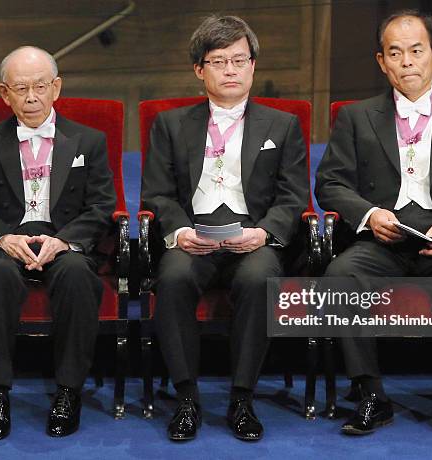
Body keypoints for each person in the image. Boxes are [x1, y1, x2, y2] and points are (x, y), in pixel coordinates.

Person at [315, 9, 432, 439]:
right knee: (339, 275)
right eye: (395, 52)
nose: (407, 61)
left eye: (416, 50)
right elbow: (329, 183)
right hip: (380, 242)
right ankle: (370, 395)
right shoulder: (354, 116)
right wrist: (369, 214)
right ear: (381, 61)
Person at [141, 15, 309, 441]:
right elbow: (158, 194)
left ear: (254, 65)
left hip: (253, 239)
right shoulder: (170, 124)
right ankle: (186, 399)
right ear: (200, 69)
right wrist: (179, 233)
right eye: (218, 61)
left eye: (239, 59)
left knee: (259, 280)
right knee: (173, 276)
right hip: (193, 238)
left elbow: (294, 197)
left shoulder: (282, 125)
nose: (230, 70)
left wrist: (264, 233)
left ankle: (242, 398)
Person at [0, 46, 116, 439]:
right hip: (8, 238)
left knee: (78, 276)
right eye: (21, 88)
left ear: (56, 88)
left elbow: (101, 205)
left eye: (40, 86)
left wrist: (64, 242)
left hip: (64, 241)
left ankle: (68, 391)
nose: (31, 97)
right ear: (4, 93)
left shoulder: (88, 140)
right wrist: (2, 237)